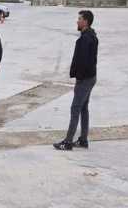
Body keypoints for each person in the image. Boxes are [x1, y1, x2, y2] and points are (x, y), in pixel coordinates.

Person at [54, 10, 98, 151]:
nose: (77, 21)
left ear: (85, 21)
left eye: (79, 19)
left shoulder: (85, 39)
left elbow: (83, 62)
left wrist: (79, 78)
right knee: (83, 108)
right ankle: (83, 140)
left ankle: (67, 142)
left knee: (75, 109)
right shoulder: (91, 36)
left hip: (85, 79)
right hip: (90, 77)